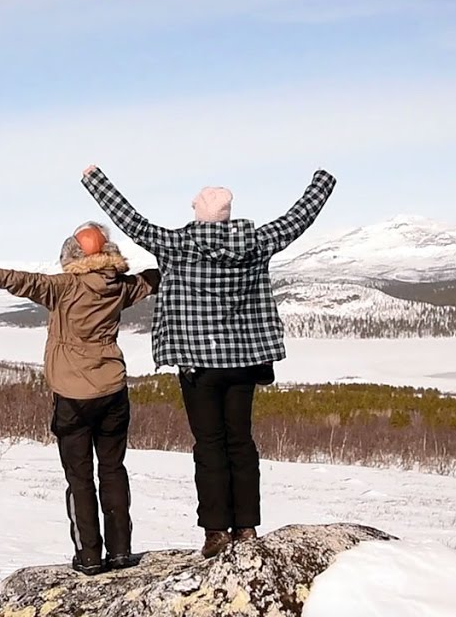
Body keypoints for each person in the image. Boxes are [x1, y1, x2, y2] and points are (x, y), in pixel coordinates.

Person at [80, 164, 336, 558]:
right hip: (244, 362)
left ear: (198, 214)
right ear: (227, 216)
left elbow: (130, 221)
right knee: (241, 442)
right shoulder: (257, 242)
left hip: (198, 366)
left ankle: (216, 532)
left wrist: (95, 179)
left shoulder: (177, 245)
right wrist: (322, 183)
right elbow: (298, 218)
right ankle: (246, 526)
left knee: (209, 445)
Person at [0, 222, 160, 576]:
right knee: (112, 470)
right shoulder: (120, 286)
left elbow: (24, 281)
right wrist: (171, 266)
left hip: (73, 397)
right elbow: (150, 280)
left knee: (79, 477)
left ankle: (89, 556)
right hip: (113, 390)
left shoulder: (65, 287)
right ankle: (121, 552)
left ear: (72, 256)